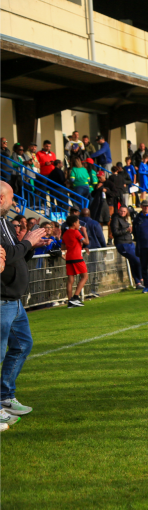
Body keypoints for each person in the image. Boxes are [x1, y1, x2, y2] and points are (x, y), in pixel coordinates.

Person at [0, 181, 48, 430]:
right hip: (2, 300)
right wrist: (26, 242)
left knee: (22, 345)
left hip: (15, 301)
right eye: (11, 198)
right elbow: (6, 256)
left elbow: (15, 256)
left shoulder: (6, 223)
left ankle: (5, 397)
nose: (14, 203)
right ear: (1, 199)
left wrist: (30, 247)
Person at [110, 206, 143, 289]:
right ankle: (141, 278)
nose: (122, 213)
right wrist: (126, 230)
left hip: (129, 242)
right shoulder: (115, 219)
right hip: (122, 244)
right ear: (118, 211)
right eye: (121, 211)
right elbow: (115, 232)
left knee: (133, 262)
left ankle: (138, 283)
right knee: (137, 260)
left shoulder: (125, 219)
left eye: (124, 211)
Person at [62, 215, 90, 308]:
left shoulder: (65, 233)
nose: (79, 225)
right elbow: (86, 242)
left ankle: (70, 301)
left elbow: (63, 247)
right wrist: (84, 232)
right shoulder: (76, 232)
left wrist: (74, 245)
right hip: (77, 257)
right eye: (78, 223)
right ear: (74, 224)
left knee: (70, 280)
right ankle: (75, 297)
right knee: (85, 276)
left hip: (69, 258)